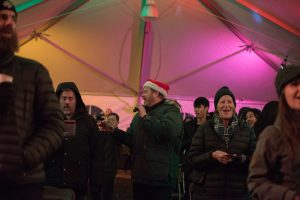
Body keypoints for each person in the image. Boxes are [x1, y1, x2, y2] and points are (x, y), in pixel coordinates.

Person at [0, 1, 64, 199]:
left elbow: (54, 126)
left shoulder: (34, 72)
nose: (9, 23)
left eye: (13, 19)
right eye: (3, 17)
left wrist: (23, 157)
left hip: (23, 184)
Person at [107, 79, 183, 200]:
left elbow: (168, 132)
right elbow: (131, 139)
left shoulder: (171, 111)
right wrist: (114, 131)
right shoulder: (139, 115)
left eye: (146, 91)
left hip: (161, 179)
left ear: (156, 93)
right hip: (140, 177)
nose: (142, 95)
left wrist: (146, 117)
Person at [188, 86, 256, 200]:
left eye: (229, 102)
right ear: (216, 107)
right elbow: (192, 159)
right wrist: (211, 156)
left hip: (238, 193)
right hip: (207, 193)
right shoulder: (205, 128)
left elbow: (257, 160)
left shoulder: (246, 129)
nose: (226, 105)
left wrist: (240, 159)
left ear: (234, 106)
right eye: (222, 102)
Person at [248, 65, 300, 200]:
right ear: (282, 92)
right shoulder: (272, 135)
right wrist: (289, 197)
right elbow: (256, 183)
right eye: (294, 84)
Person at [44, 82, 99, 200]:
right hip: (51, 183)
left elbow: (96, 154)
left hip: (77, 184)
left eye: (70, 98)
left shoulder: (88, 123)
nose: (67, 102)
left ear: (76, 100)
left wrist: (95, 184)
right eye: (64, 98)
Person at [182, 97, 210, 200]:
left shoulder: (211, 126)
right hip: (190, 164)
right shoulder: (188, 125)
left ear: (206, 108)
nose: (196, 110)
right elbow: (182, 144)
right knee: (188, 193)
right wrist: (192, 140)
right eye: (195, 107)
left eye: (199, 107)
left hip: (206, 165)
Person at [90, 112, 121, 200]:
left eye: (113, 120)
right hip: (96, 171)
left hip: (110, 171)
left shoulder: (119, 135)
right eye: (109, 120)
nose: (110, 122)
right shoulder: (101, 134)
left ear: (118, 122)